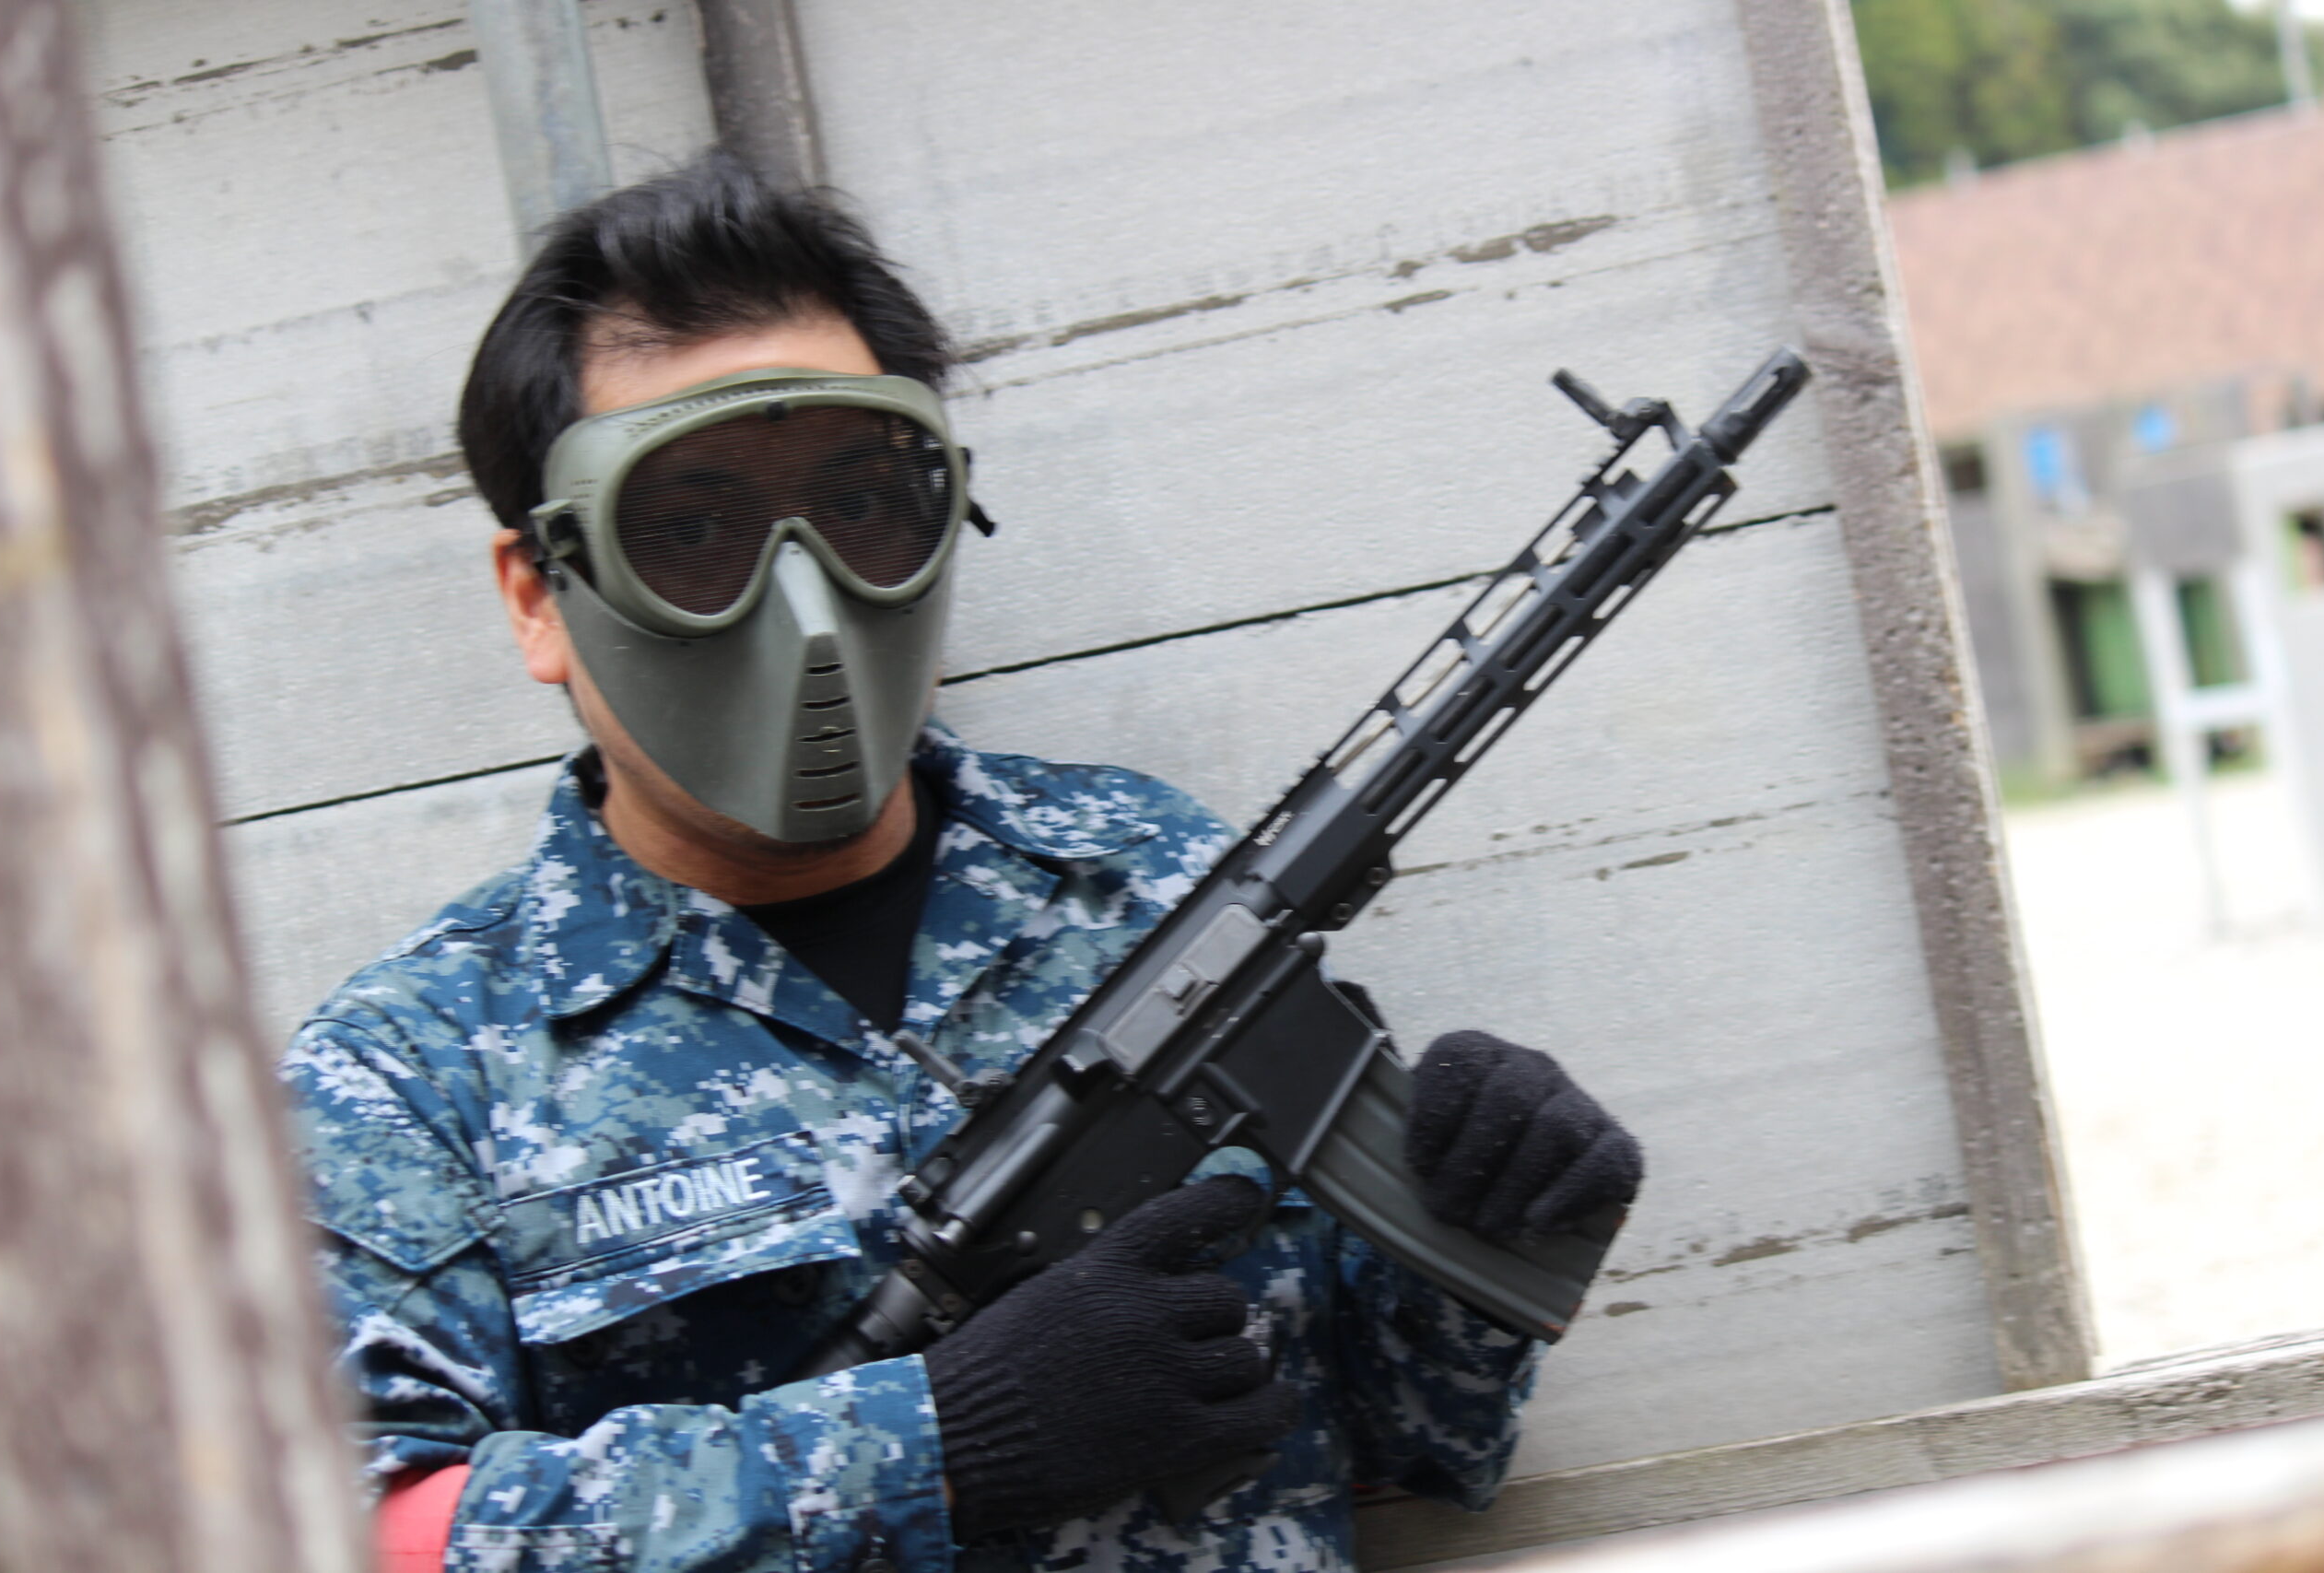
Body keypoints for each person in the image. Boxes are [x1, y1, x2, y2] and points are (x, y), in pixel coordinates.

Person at [283, 153, 1643, 1573]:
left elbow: (1400, 1442)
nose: (804, 601)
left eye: (861, 502)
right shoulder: (414, 1074)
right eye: (687, 529)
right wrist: (930, 1445)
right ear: (540, 597)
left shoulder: (1143, 879)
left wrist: (1479, 1247)